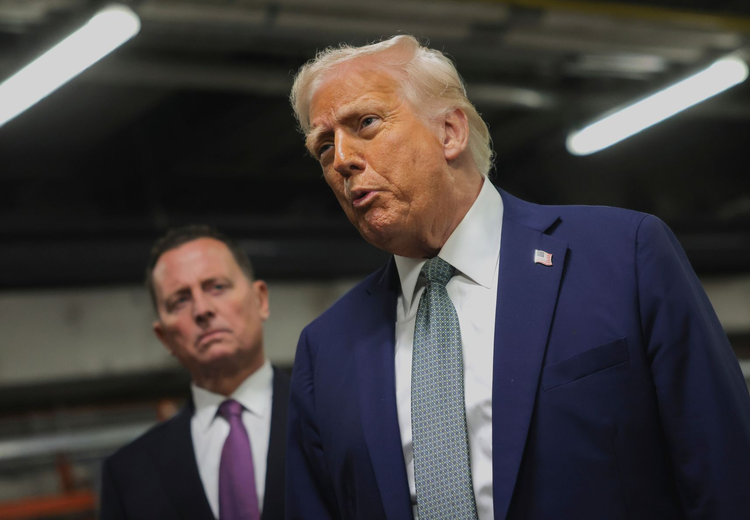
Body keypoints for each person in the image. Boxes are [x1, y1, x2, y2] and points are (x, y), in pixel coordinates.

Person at [285, 35, 750, 520]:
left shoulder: (624, 256)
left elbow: (725, 475)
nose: (342, 160)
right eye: (323, 147)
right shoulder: (326, 350)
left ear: (449, 132)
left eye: (366, 123)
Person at [100, 226, 289, 520]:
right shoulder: (128, 473)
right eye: (180, 300)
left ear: (260, 300)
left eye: (217, 287)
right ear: (164, 338)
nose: (202, 309)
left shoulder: (329, 416)